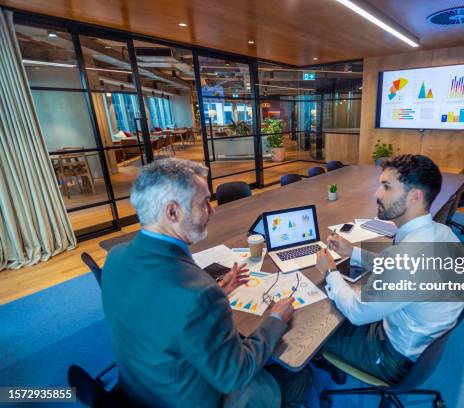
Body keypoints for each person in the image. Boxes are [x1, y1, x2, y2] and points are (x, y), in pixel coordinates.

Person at [102, 158, 311, 407]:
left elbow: (158, 309)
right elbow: (235, 375)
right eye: (204, 202)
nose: (212, 210)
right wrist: (276, 319)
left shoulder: (115, 257)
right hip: (182, 399)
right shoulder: (198, 295)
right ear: (172, 212)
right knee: (299, 375)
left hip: (138, 387)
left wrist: (216, 292)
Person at [315, 154, 464, 384]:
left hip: (393, 357)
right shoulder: (442, 233)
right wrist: (352, 252)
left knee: (310, 335)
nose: (377, 194)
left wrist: (330, 272)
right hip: (419, 338)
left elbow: (357, 312)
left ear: (415, 197)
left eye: (386, 187)